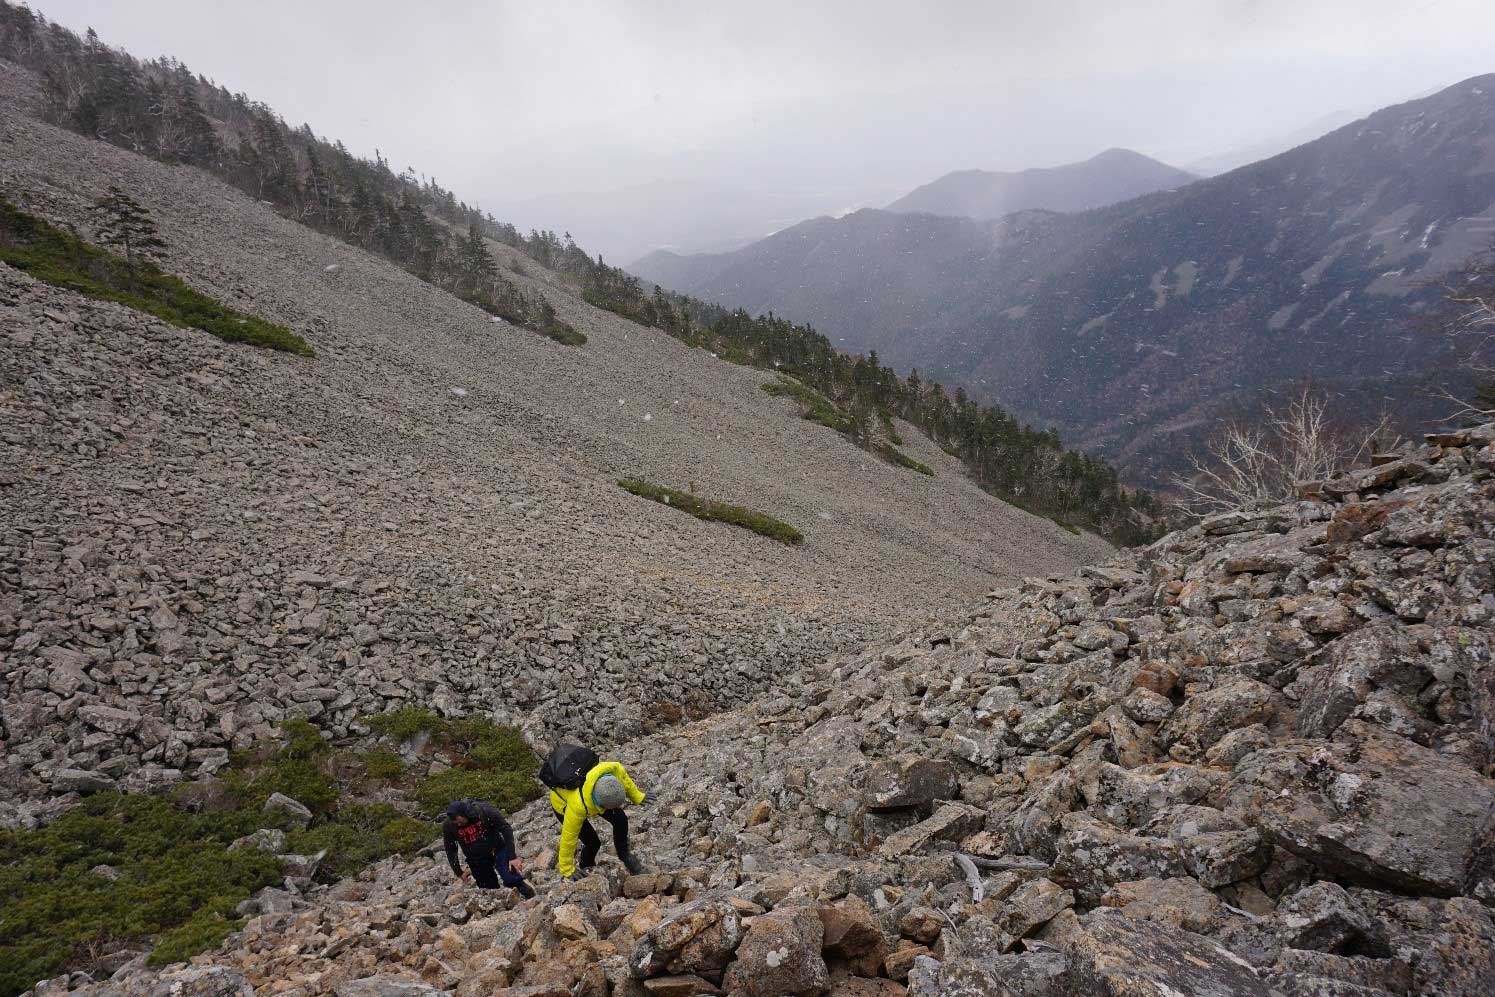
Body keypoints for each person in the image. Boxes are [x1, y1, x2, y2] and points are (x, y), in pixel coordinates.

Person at [549, 759, 647, 880]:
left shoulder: (612, 770)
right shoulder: (578, 806)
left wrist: (638, 796)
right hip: (562, 803)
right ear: (599, 803)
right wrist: (567, 869)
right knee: (593, 843)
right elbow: (568, 837)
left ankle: (624, 854)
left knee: (620, 819)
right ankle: (587, 868)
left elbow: (624, 779)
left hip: (595, 791)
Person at [442, 798, 535, 898]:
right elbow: (450, 848)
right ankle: (502, 908)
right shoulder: (449, 825)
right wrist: (458, 872)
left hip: (497, 849)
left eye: (459, 822)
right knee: (489, 891)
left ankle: (530, 896)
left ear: (464, 814)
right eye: (456, 823)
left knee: (510, 879)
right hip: (476, 859)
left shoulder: (484, 811)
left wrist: (512, 857)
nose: (458, 825)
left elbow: (505, 828)